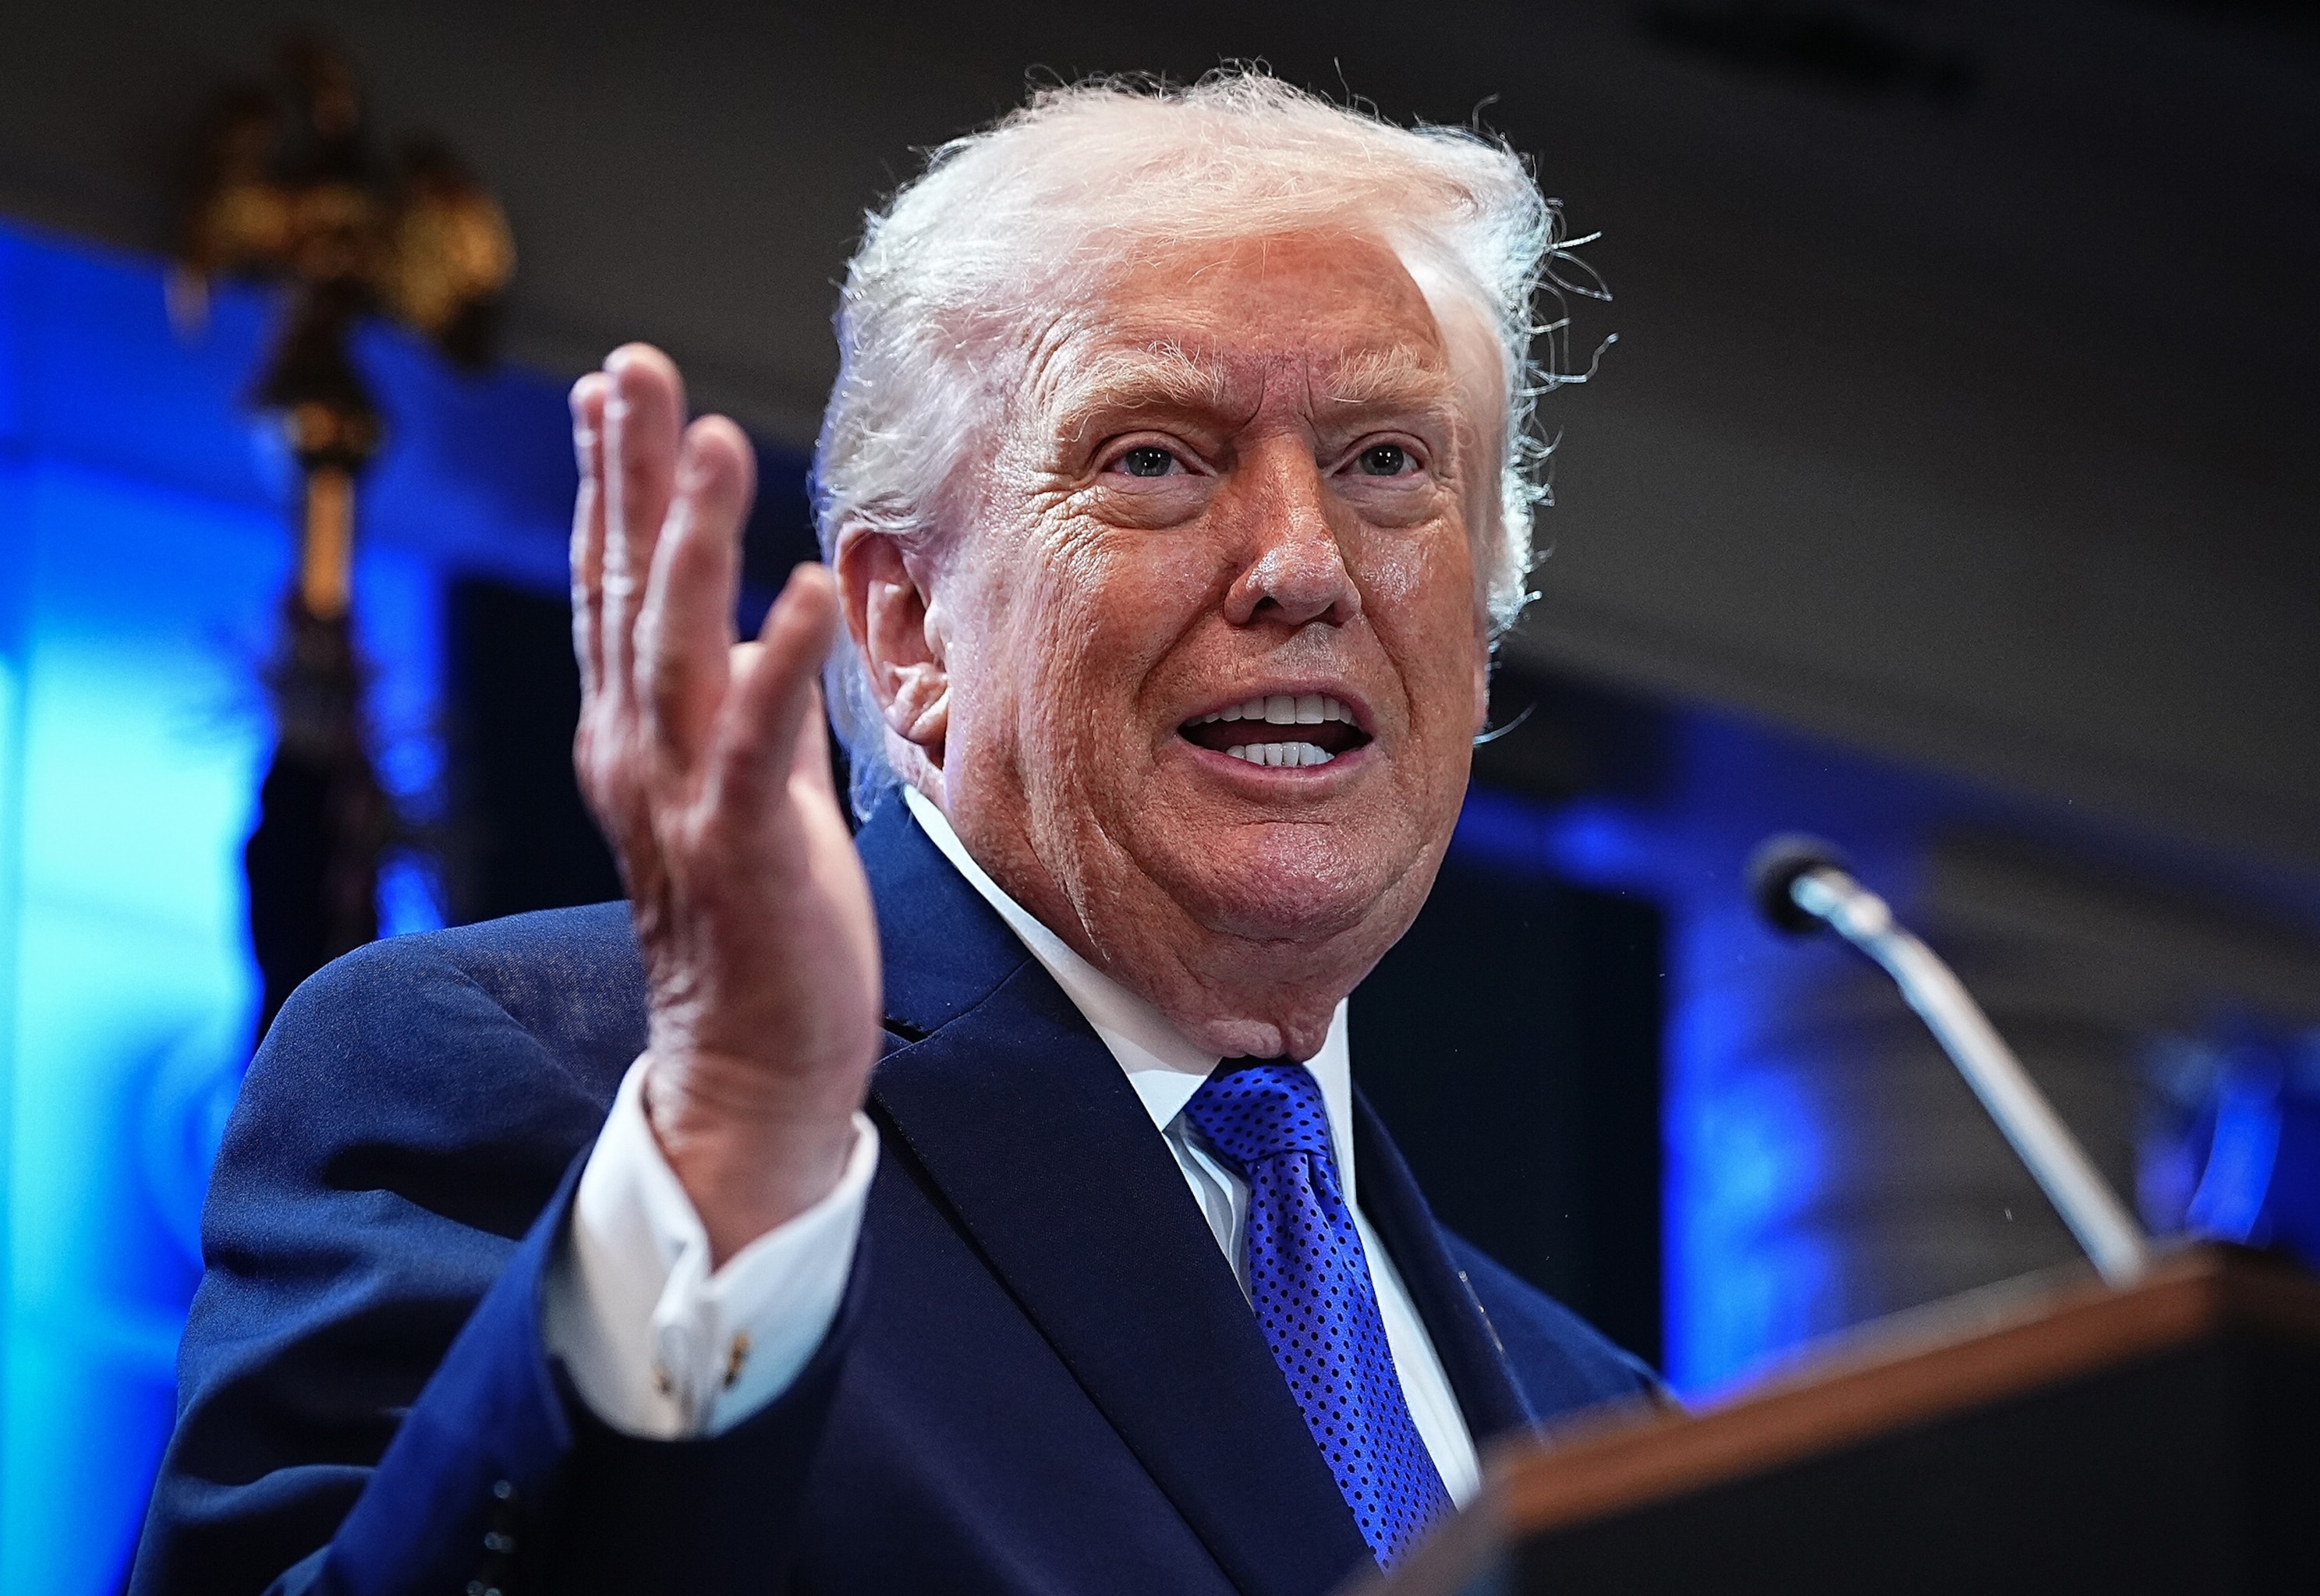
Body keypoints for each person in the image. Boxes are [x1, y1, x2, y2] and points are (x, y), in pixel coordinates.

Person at [132, 74, 1659, 1596]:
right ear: (912, 623)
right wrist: (730, 1168)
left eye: (1388, 460)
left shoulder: (1614, 1432)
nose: (1304, 563)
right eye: (1156, 458)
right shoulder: (545, 1093)